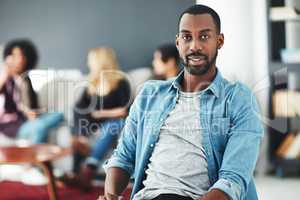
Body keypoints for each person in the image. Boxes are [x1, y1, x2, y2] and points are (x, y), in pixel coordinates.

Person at [99, 4, 263, 200]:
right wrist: (111, 195)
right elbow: (123, 157)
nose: (194, 46)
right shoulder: (150, 94)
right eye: (187, 37)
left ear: (219, 41)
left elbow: (233, 179)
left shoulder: (238, 98)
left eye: (204, 36)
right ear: (178, 43)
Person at [64, 47, 131, 191]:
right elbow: (79, 108)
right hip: (89, 126)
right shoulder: (91, 84)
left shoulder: (121, 82)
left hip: (110, 124)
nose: (88, 63)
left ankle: (88, 170)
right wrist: (83, 128)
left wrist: (99, 113)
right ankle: (76, 171)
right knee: (77, 113)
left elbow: (124, 110)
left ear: (100, 62)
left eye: (91, 60)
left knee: (115, 124)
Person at [0, 39, 63, 143]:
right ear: (9, 57)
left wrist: (36, 112)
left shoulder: (26, 80)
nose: (19, 60)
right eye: (15, 56)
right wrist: (6, 69)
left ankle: (35, 128)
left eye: (22, 56)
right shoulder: (7, 79)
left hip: (28, 120)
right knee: (40, 126)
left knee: (58, 115)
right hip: (12, 125)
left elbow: (32, 106)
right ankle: (34, 157)